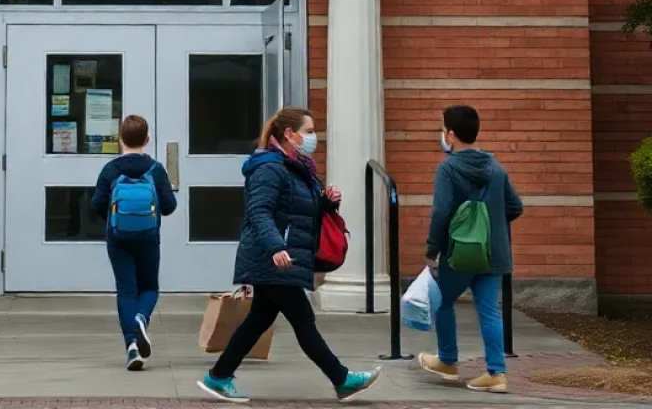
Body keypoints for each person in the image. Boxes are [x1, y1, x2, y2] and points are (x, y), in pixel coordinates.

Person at [197, 107, 381, 404]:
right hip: (273, 258)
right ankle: (342, 379)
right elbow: (259, 212)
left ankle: (218, 376)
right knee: (304, 320)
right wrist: (276, 248)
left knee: (258, 320)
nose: (313, 137)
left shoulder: (295, 167)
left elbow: (295, 212)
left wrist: (325, 204)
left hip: (281, 256)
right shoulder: (270, 168)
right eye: (308, 131)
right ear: (289, 134)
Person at [418, 105, 524, 394]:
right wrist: (489, 224)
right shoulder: (496, 167)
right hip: (494, 251)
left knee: (441, 300)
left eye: (443, 129)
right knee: (489, 310)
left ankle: (448, 362)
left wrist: (432, 248)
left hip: (459, 251)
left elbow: (441, 212)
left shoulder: (448, 168)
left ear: (450, 135)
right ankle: (496, 374)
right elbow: (515, 206)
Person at [91, 114, 177, 370]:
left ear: (120, 139)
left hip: (118, 238)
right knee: (149, 287)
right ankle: (142, 317)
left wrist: (114, 218)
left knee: (126, 290)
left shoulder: (111, 169)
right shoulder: (156, 169)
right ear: (147, 139)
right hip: (149, 237)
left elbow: (96, 204)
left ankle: (132, 348)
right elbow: (170, 207)